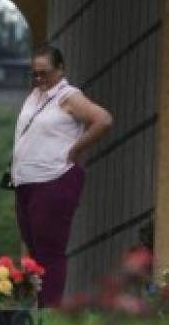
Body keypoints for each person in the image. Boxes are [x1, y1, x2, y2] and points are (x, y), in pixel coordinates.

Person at [10, 44, 113, 307]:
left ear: (61, 69)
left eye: (44, 73)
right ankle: (37, 303)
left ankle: (50, 309)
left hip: (54, 179)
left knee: (50, 250)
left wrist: (76, 149)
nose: (39, 79)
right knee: (33, 248)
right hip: (26, 182)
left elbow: (103, 119)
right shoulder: (36, 95)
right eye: (34, 73)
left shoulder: (68, 96)